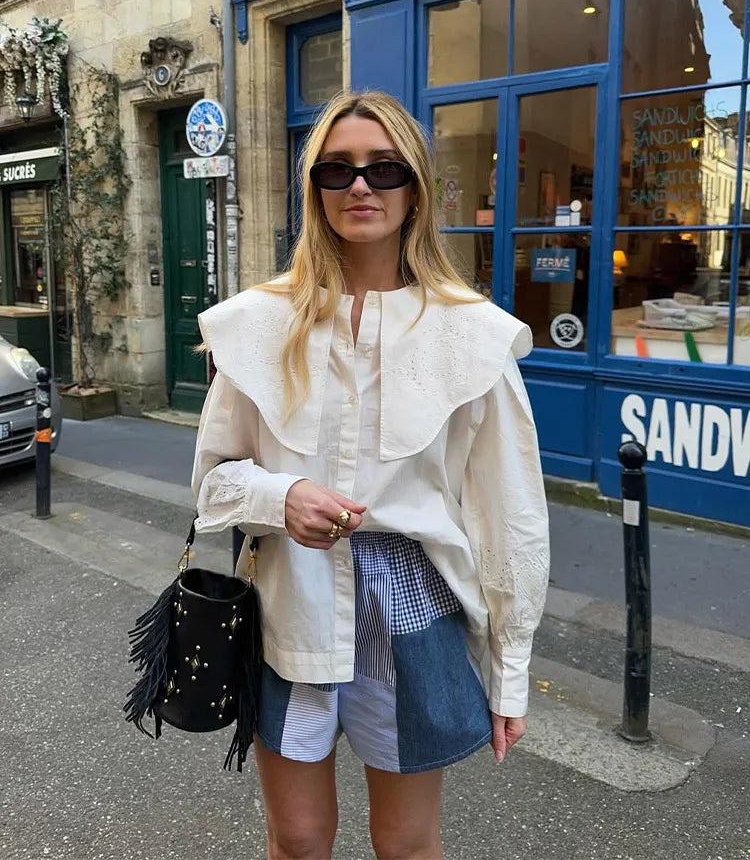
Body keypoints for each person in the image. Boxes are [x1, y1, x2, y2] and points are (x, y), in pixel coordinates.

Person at [192, 91, 549, 860]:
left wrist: (510, 670)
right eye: (338, 170)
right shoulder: (259, 326)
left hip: (413, 605)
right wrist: (278, 496)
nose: (362, 186)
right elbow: (213, 483)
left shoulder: (471, 336)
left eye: (384, 169)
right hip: (290, 601)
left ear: (415, 186)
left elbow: (510, 517)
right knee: (296, 837)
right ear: (313, 189)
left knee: (408, 843)